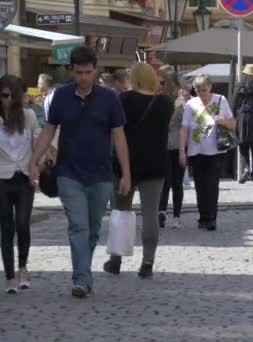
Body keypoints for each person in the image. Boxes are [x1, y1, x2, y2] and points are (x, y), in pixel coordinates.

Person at [29, 46, 131, 298]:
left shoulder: (109, 98)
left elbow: (119, 137)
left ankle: (83, 273)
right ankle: (81, 278)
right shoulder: (61, 96)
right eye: (79, 72)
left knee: (93, 228)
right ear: (71, 71)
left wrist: (126, 172)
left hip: (101, 174)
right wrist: (34, 159)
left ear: (95, 70)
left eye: (88, 72)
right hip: (68, 172)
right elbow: (49, 130)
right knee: (78, 226)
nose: (84, 77)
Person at [102, 63, 173, 278]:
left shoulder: (124, 100)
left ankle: (116, 260)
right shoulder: (165, 103)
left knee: (121, 211)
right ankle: (148, 262)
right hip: (155, 164)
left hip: (127, 165)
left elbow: (116, 130)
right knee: (150, 214)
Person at [179, 75, 235, 231]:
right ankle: (203, 217)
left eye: (204, 89)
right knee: (200, 185)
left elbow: (232, 123)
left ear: (210, 87)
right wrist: (182, 151)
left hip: (216, 150)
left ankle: (211, 218)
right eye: (197, 90)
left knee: (212, 184)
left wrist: (222, 121)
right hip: (195, 150)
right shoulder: (191, 104)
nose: (201, 93)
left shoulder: (220, 100)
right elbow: (184, 128)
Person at [0, 75, 40, 294]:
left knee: (22, 223)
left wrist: (37, 165)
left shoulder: (29, 116)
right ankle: (8, 276)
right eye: (4, 96)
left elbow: (38, 143)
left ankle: (23, 268)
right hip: (2, 180)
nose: (8, 100)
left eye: (12, 96)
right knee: (6, 228)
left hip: (24, 179)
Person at [158, 68, 186, 229]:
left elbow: (184, 126)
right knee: (164, 182)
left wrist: (183, 150)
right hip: (162, 145)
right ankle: (161, 212)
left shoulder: (182, 102)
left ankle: (176, 215)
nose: (162, 86)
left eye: (164, 82)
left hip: (177, 144)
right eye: (161, 82)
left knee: (177, 182)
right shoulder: (158, 99)